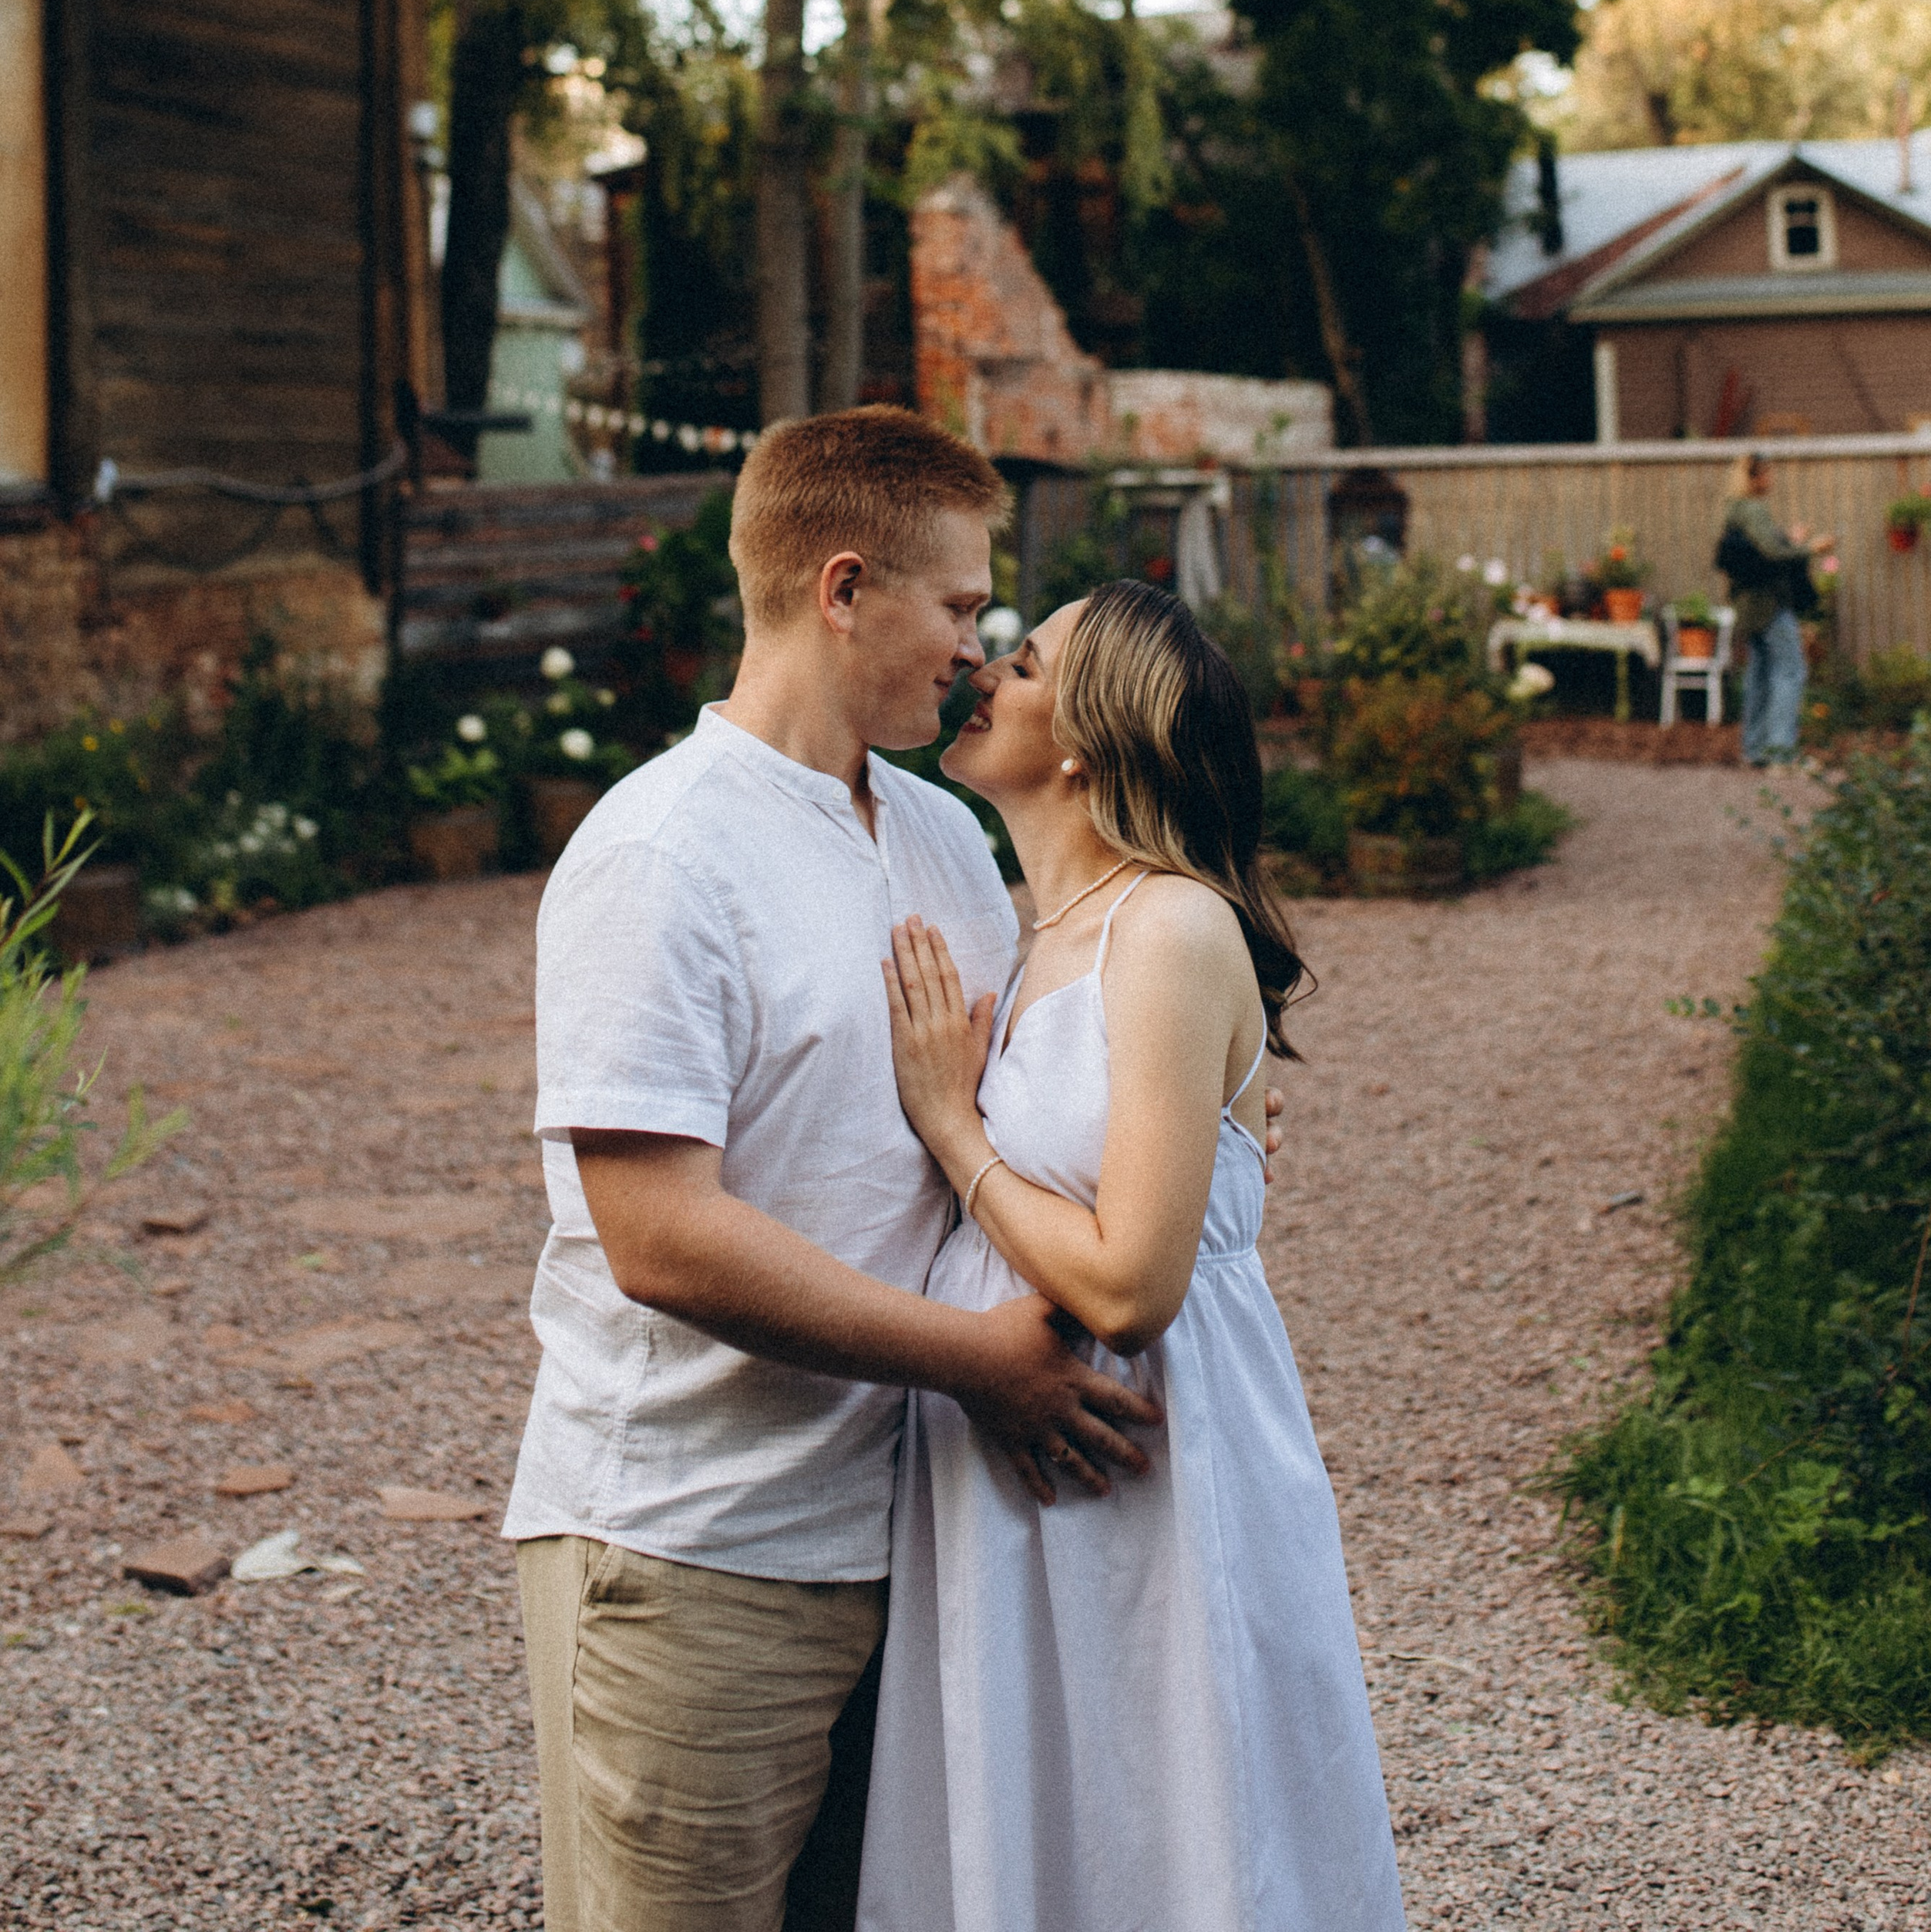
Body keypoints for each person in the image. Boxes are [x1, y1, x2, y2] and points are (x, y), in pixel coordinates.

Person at [503, 407, 1265, 1932]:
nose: (977, 654)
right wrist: (984, 1364)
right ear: (842, 589)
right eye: (961, 608)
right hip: (699, 1554)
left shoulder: (942, 838)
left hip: (931, 1555)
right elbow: (658, 1237)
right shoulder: (658, 855)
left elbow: (1065, 1114)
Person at [860, 580, 1407, 1932]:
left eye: (1028, 659)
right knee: (1039, 1821)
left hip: (1148, 1457)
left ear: (1089, 739)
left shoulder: (1168, 928)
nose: (985, 666)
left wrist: (950, 1125)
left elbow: (1129, 1284)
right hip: (1012, 1464)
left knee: (1174, 1824)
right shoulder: (1020, 922)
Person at [1717, 452, 1824, 767]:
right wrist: (1809, 548)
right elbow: (1773, 554)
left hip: (1746, 605)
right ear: (1755, 477)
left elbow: (1756, 552)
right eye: (1767, 474)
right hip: (1769, 604)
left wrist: (1790, 540)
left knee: (1760, 675)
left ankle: (1755, 750)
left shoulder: (1733, 511)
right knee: (1791, 671)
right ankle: (1781, 754)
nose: (1771, 479)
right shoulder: (1754, 510)